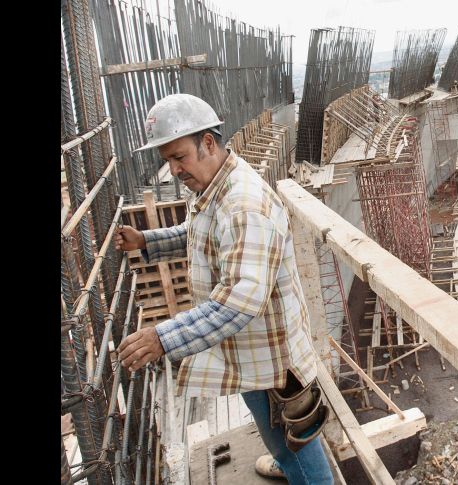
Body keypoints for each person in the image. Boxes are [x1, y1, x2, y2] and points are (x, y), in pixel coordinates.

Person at [114, 93, 333, 484]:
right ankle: (286, 464)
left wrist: (163, 337)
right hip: (248, 351)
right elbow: (199, 235)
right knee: (275, 431)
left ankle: (300, 472)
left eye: (179, 156)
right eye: (167, 160)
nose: (174, 168)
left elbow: (237, 302)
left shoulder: (243, 205)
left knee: (294, 440)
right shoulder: (213, 189)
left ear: (209, 143)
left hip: (270, 359)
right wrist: (147, 240)